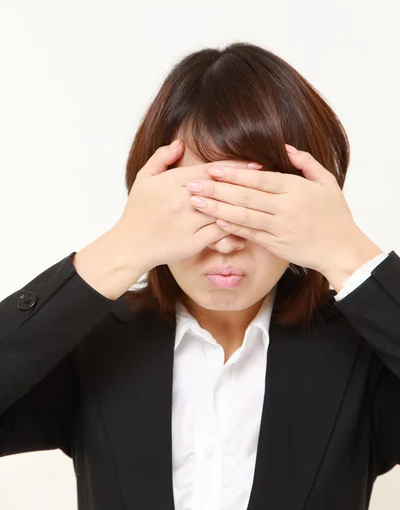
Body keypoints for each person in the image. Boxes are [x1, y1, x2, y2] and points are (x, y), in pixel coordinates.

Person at [0, 42, 399, 510]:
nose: (227, 240)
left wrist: (347, 252)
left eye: (255, 206)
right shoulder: (92, 344)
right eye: (200, 205)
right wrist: (121, 249)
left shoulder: (363, 352)